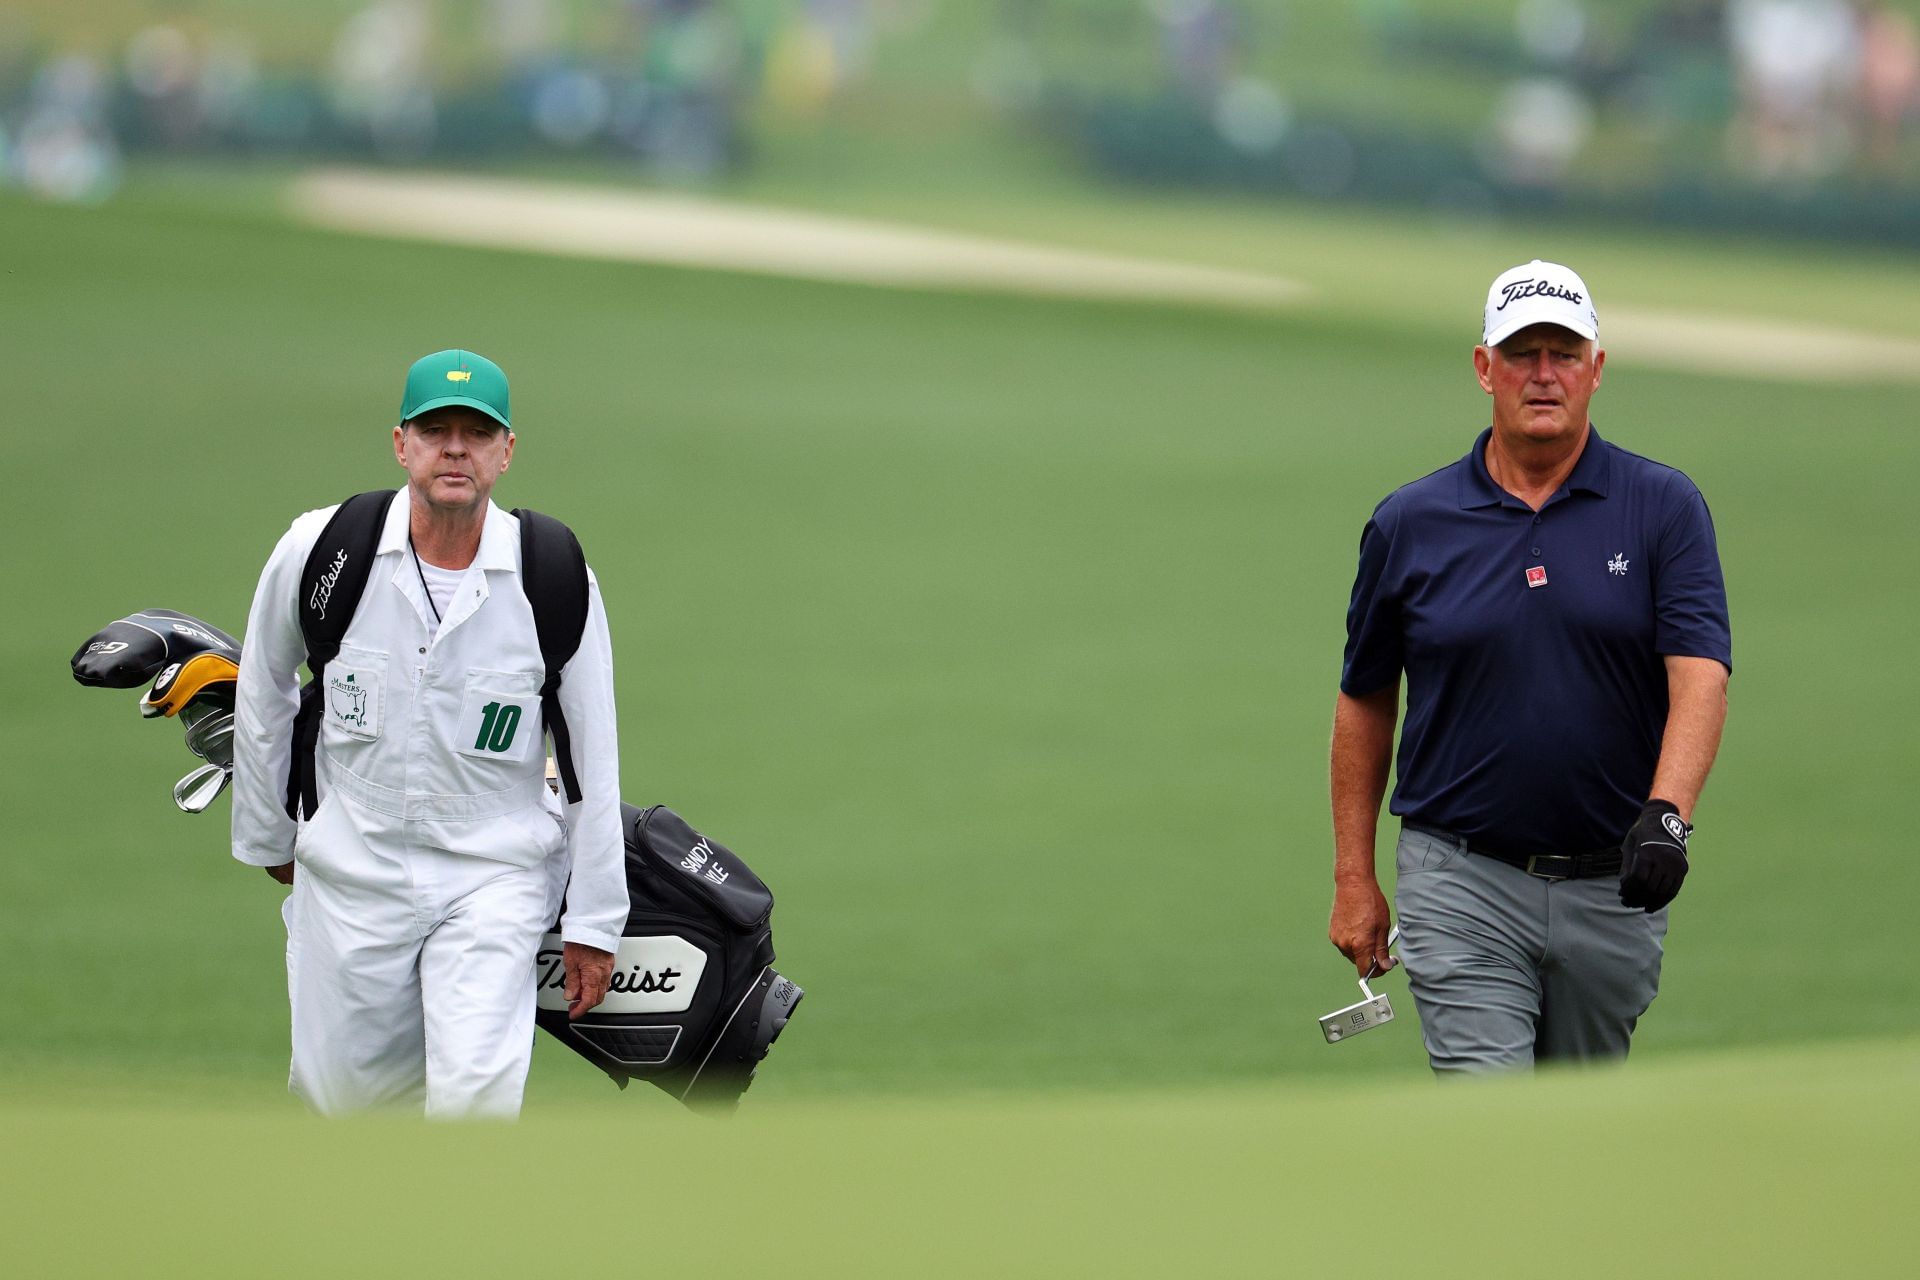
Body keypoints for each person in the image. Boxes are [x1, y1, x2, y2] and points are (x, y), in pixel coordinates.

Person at [1327, 261, 1731, 1073]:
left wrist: (1669, 815)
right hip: (1460, 878)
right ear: (1485, 368)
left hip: (1613, 885)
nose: (1543, 374)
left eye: (1564, 353)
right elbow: (1365, 699)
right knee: (1493, 1116)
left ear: (1596, 369)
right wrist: (1353, 876)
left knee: (1577, 1133)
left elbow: (1700, 672)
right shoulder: (1413, 522)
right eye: (1521, 353)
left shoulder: (1662, 508)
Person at [230, 349, 627, 1116]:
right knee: (343, 1109)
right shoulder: (321, 550)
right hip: (351, 865)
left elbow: (591, 758)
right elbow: (264, 686)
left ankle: (464, 1234)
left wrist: (595, 921)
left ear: (505, 452)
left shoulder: (554, 574)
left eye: (476, 433)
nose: (455, 448)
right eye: (435, 429)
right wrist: (270, 836)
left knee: (475, 1100)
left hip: (493, 870)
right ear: (400, 444)